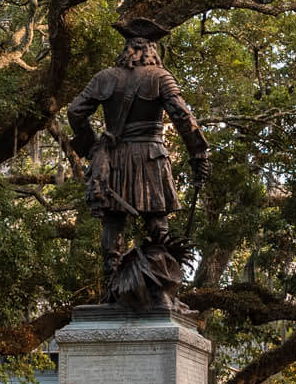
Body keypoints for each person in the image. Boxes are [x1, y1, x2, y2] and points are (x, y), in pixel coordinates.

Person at [67, 18, 210, 307]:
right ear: (151, 49)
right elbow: (182, 116)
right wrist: (198, 153)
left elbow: (74, 112)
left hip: (114, 157)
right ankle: (162, 290)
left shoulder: (105, 77)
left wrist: (92, 146)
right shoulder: (160, 77)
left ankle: (112, 290)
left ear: (128, 49)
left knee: (113, 223)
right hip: (150, 157)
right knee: (157, 222)